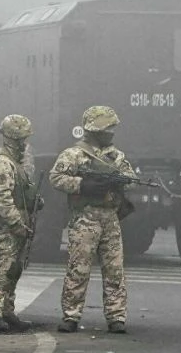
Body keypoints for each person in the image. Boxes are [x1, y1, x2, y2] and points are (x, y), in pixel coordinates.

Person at [48, 106, 137, 334]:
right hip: (85, 217)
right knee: (78, 268)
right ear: (95, 130)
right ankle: (71, 315)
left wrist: (119, 181)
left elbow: (132, 178)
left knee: (115, 270)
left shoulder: (116, 156)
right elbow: (56, 178)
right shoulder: (74, 154)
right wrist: (82, 184)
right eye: (107, 128)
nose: (111, 133)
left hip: (110, 218)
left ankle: (117, 316)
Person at [0, 114, 40, 333]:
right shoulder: (1, 164)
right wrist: (16, 222)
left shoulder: (15, 163)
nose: (24, 143)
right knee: (7, 265)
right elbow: (1, 198)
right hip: (5, 223)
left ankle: (7, 310)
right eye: (21, 138)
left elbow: (18, 193)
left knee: (14, 268)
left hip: (17, 221)